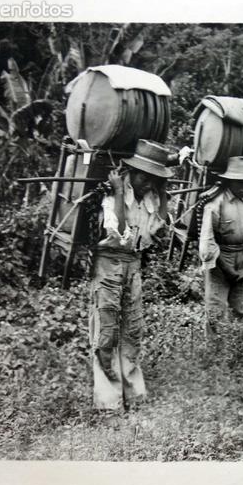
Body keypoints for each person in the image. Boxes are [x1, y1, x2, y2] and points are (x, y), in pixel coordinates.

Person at [88, 139, 171, 411]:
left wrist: (163, 191)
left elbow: (158, 229)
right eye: (144, 177)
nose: (148, 183)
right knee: (106, 331)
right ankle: (108, 402)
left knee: (133, 330)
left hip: (132, 265)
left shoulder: (151, 197)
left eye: (153, 179)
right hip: (109, 264)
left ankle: (134, 396)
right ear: (131, 172)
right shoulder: (112, 194)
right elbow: (120, 232)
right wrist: (119, 191)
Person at [198, 155, 243, 338]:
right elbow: (208, 241)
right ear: (229, 181)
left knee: (242, 311)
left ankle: (239, 353)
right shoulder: (215, 204)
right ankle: (214, 356)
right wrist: (228, 269)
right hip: (219, 262)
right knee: (215, 311)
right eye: (241, 182)